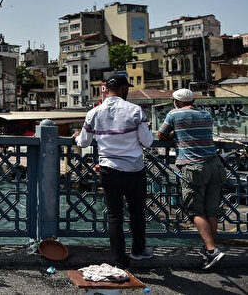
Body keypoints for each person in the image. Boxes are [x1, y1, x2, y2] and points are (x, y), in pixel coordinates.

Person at [72, 75, 154, 269]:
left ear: (107, 89)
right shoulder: (135, 111)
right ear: (124, 89)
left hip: (109, 169)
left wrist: (76, 136)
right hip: (134, 170)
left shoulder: (94, 112)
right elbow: (148, 141)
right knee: (136, 212)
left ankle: (120, 260)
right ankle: (138, 251)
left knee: (114, 216)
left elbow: (83, 142)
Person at [157, 88, 226, 270]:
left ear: (178, 101)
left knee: (196, 211)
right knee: (211, 211)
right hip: (215, 165)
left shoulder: (174, 114)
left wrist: (173, 135)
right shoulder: (206, 115)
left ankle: (211, 250)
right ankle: (211, 248)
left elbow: (161, 135)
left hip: (194, 168)